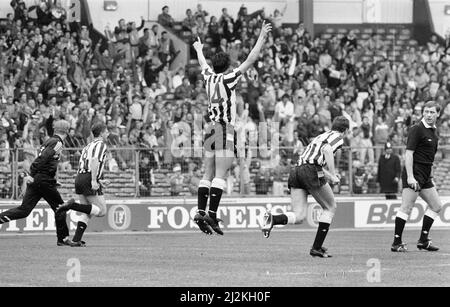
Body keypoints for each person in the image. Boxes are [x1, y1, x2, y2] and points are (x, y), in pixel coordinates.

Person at [192, 21, 272, 235]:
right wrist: (262, 37)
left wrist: (199, 49)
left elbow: (202, 63)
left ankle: (200, 211)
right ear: (226, 65)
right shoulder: (228, 78)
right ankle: (212, 214)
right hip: (224, 128)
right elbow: (250, 59)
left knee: (206, 173)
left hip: (210, 128)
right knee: (220, 173)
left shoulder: (208, 77)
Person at [261, 116, 350, 258]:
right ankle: (317, 247)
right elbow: (327, 151)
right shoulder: (338, 137)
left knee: (299, 216)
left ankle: (272, 219)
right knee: (330, 207)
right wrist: (333, 175)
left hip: (297, 170)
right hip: (310, 171)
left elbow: (314, 161)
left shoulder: (321, 136)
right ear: (345, 130)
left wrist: (328, 175)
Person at [0, 120, 72, 246]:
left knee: (24, 210)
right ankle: (63, 239)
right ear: (67, 130)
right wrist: (32, 174)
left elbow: (46, 160)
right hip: (42, 180)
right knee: (61, 208)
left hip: (40, 180)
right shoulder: (58, 143)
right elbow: (43, 158)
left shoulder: (49, 141)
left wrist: (51, 180)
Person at [391, 101, 442, 252]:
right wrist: (411, 177)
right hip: (414, 173)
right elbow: (409, 154)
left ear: (438, 114)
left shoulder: (433, 131)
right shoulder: (417, 129)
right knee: (406, 207)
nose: (428, 115)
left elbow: (429, 157)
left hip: (425, 176)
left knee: (436, 206)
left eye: (432, 112)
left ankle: (423, 240)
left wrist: (430, 176)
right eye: (426, 111)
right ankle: (396, 242)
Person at [56, 123, 110, 247]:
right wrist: (93, 180)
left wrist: (99, 180)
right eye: (106, 131)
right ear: (101, 133)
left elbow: (85, 163)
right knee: (101, 211)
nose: (108, 134)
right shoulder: (100, 144)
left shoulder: (88, 146)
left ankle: (76, 240)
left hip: (80, 177)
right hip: (88, 178)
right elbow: (95, 161)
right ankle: (71, 205)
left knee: (87, 212)